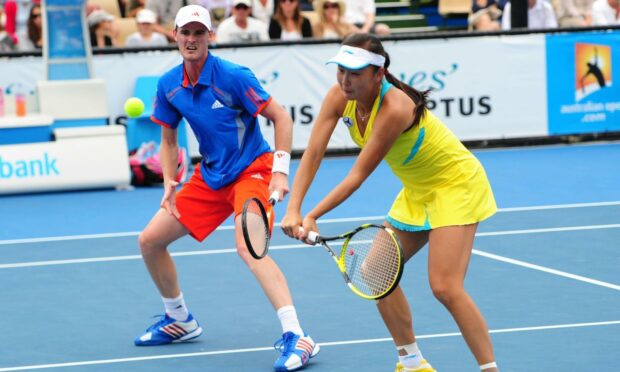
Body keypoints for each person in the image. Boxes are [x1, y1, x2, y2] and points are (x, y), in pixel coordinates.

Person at [281, 33, 500, 372]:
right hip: (417, 189)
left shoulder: (396, 107)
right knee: (375, 272)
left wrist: (312, 214)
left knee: (445, 287)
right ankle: (412, 362)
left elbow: (357, 176)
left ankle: (490, 369)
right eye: (341, 70)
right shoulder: (339, 97)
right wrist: (293, 208)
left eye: (354, 73)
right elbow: (312, 154)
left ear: (377, 74)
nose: (345, 80)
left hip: (455, 185)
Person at [134, 5, 319, 372]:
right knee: (150, 240)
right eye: (185, 32)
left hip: (252, 169)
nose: (191, 39)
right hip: (211, 175)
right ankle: (181, 320)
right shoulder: (169, 84)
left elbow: (280, 117)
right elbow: (168, 138)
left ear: (210, 37)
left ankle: (297, 335)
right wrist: (170, 182)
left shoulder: (233, 76)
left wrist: (280, 173)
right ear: (174, 36)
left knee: (248, 247)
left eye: (198, 33)